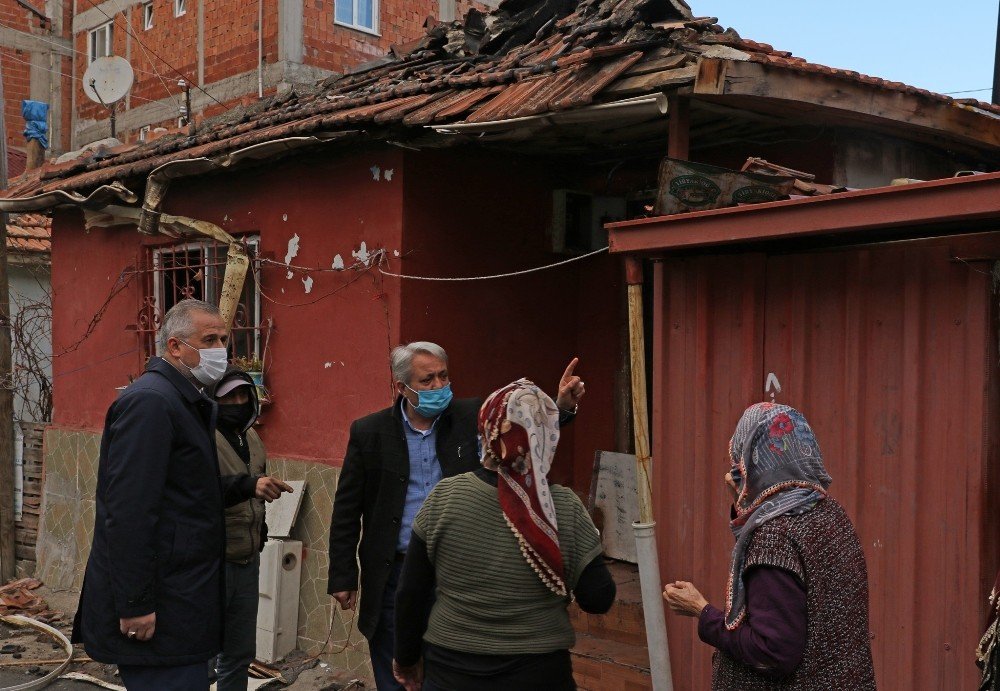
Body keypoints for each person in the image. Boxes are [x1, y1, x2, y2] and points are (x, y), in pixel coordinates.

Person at [327, 342, 585, 690]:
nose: (439, 386)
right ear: (401, 388)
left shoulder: (470, 417)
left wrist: (562, 408)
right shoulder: (369, 432)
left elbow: (522, 430)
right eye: (427, 380)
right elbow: (347, 508)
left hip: (457, 569)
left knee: (446, 669)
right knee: (395, 667)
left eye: (443, 376)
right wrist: (342, 575)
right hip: (394, 571)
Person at [72, 299, 279, 690]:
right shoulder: (152, 402)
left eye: (224, 339)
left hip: (182, 600)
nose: (221, 349)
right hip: (161, 607)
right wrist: (136, 605)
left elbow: (187, 494)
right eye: (209, 339)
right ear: (175, 347)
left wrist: (244, 486)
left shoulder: (184, 401)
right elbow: (130, 512)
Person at [392, 379, 615, 691]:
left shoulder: (445, 497)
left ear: (485, 431)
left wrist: (406, 658)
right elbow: (598, 598)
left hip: (451, 673)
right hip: (540, 674)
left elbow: (411, 592)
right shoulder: (563, 507)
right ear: (545, 435)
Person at [663, 402, 876, 689]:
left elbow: (773, 652)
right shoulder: (829, 511)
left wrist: (701, 611)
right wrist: (746, 504)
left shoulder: (773, 538)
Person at [213, 367, 293, 691]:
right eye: (228, 396)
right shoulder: (202, 437)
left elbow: (255, 493)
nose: (237, 402)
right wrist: (249, 486)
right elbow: (196, 492)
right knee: (203, 654)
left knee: (238, 653)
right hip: (213, 562)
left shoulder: (252, 437)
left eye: (242, 394)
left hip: (247, 561)